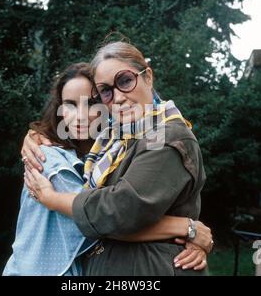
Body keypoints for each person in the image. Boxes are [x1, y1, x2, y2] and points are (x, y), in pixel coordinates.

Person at [22, 42, 213, 275]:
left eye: (125, 81)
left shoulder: (162, 135)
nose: (119, 98)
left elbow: (119, 212)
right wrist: (187, 228)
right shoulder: (111, 144)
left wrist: (51, 198)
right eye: (106, 91)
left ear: (148, 77)